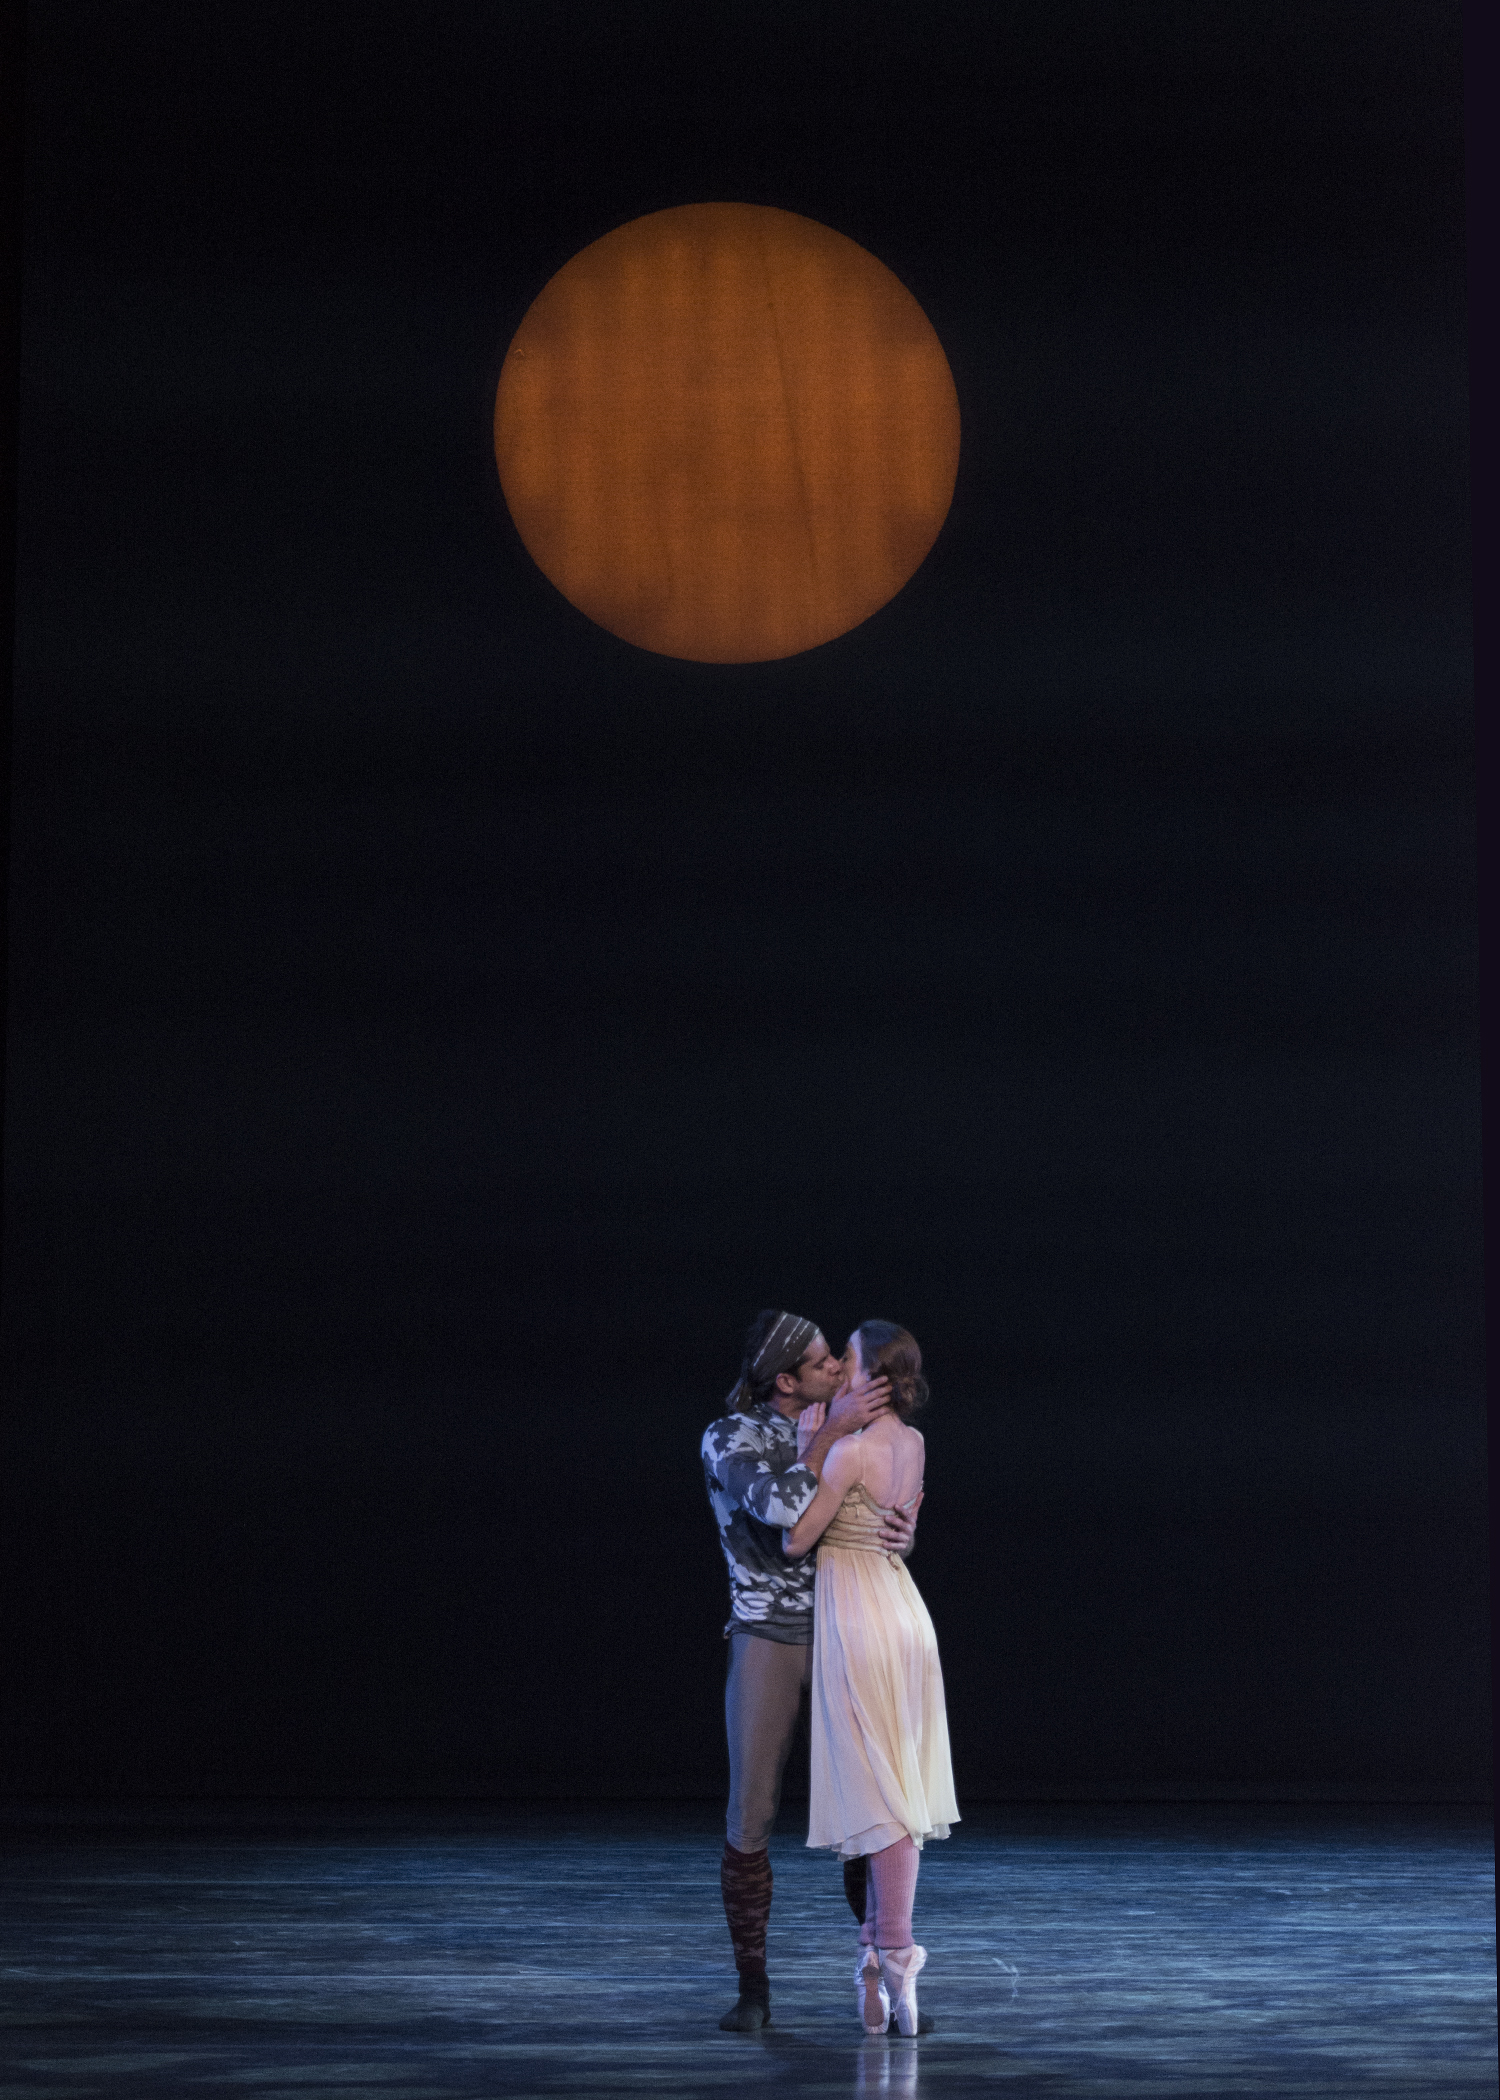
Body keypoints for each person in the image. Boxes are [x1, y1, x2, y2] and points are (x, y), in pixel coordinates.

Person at [701, 1309, 920, 2032]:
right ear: (784, 1379)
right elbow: (784, 1510)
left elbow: (868, 1506)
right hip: (772, 1633)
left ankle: (885, 1974)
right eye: (823, 1362)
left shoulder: (842, 1423)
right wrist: (832, 1436)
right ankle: (754, 1989)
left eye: (838, 1358)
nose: (838, 1370)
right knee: (752, 1812)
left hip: (844, 1628)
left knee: (869, 1807)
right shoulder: (731, 1437)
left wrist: (900, 1531)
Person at [783, 1321, 958, 2038]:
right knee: (888, 1788)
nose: (837, 1370)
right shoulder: (912, 1444)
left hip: (859, 1615)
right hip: (903, 1608)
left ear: (873, 1377)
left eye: (846, 1360)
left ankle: (895, 1951)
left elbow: (797, 1538)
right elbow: (901, 1521)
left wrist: (809, 1446)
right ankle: (876, 1964)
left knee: (883, 1796)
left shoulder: (850, 1452)